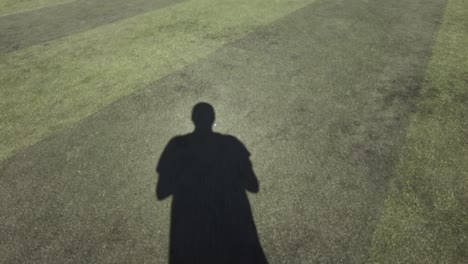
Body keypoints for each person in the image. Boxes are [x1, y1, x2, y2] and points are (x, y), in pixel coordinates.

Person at [156, 102, 268, 264]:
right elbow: (253, 185)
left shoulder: (177, 146)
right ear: (213, 119)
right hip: (233, 235)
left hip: (192, 239)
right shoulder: (231, 145)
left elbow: (162, 192)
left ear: (193, 119)